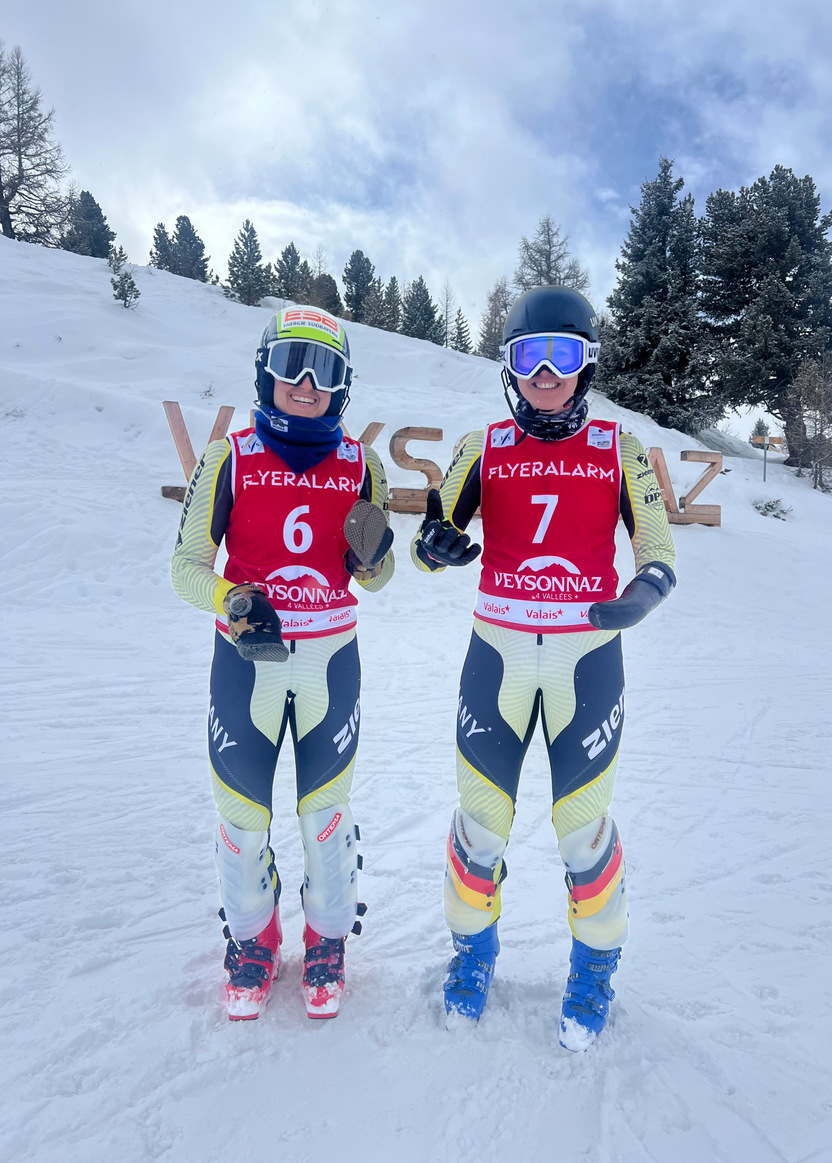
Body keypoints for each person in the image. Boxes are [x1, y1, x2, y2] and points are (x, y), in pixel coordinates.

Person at [411, 286, 676, 1051]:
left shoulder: (621, 449)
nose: (547, 372)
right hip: (495, 658)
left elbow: (657, 546)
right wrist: (437, 547)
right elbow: (437, 531)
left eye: (564, 355)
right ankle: (473, 954)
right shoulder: (482, 444)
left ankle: (594, 968)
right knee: (479, 828)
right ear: (510, 366)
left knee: (583, 832)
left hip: (584, 661)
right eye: (531, 356)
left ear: (587, 363)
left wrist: (645, 592)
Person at [172, 306, 394, 1021]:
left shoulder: (364, 464)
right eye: (290, 364)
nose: (306, 382)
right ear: (265, 374)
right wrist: (232, 597)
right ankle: (254, 938)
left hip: (329, 658)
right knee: (241, 820)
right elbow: (185, 568)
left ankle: (327, 941)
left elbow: (378, 577)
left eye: (324, 369)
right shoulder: (228, 455)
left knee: (324, 813)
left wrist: (375, 553)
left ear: (343, 385)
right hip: (248, 658)